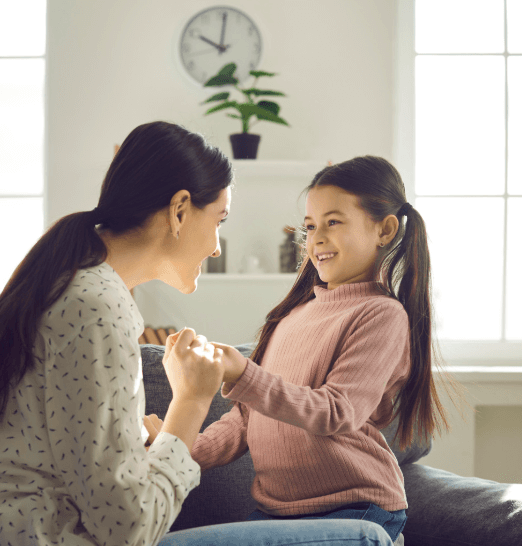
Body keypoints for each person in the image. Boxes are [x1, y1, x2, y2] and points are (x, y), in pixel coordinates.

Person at [0, 121, 394, 546]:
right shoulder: (97, 308)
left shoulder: (71, 286)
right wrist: (191, 400)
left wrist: (156, 435)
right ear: (179, 210)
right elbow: (128, 529)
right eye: (219, 221)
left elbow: (84, 461)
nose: (216, 246)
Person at [178, 155, 460, 543]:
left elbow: (337, 412)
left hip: (356, 509)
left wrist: (244, 374)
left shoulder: (381, 314)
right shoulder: (292, 316)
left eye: (333, 222)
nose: (317, 238)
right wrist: (176, 455)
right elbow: (245, 420)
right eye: (310, 226)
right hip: (275, 513)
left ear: (385, 229)